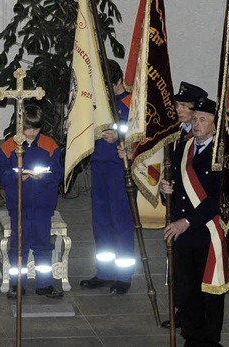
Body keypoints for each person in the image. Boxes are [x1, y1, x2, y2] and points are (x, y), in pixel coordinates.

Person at [159, 96, 229, 346]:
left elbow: (219, 198)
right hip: (183, 231)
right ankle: (191, 335)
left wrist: (187, 221)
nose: (197, 123)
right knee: (186, 287)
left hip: (207, 231)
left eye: (203, 119)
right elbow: (177, 185)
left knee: (209, 289)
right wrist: (166, 189)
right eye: (195, 118)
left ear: (214, 124)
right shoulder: (184, 148)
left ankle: (209, 340)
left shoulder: (221, 153)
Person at [0, 104, 64, 299]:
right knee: (19, 246)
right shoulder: (9, 146)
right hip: (19, 206)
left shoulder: (50, 146)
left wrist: (42, 177)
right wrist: (16, 177)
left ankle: (45, 284)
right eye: (27, 128)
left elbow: (57, 173)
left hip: (43, 205)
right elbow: (1, 170)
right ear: (20, 127)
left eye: (36, 128)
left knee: (43, 245)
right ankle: (17, 284)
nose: (31, 132)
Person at [79, 60, 135, 295]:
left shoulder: (132, 104)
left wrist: (121, 138)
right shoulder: (98, 103)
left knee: (120, 222)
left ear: (118, 82)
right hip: (99, 166)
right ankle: (104, 271)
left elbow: (142, 136)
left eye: (107, 87)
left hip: (119, 169)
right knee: (101, 222)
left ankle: (123, 275)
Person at [161, 81, 209, 329]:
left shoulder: (204, 140)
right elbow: (175, 174)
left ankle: (195, 319)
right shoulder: (178, 133)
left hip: (200, 222)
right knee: (181, 272)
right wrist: (164, 188)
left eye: (184, 105)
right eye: (177, 104)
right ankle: (183, 312)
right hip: (180, 212)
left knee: (199, 275)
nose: (178, 109)